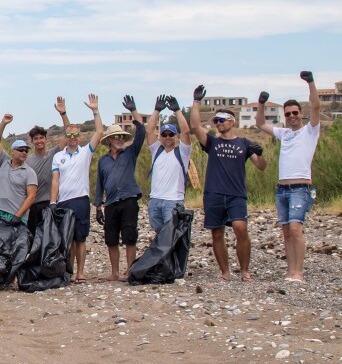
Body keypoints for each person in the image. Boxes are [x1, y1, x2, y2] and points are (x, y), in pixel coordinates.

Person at [191, 85, 268, 281]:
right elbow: (195, 127)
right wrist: (196, 102)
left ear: (232, 122)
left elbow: (261, 166)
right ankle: (225, 272)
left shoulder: (244, 143)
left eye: (222, 120)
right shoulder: (212, 143)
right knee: (217, 233)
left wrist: (260, 153)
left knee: (240, 228)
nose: (218, 123)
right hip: (214, 194)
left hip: (236, 194)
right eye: (216, 121)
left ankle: (244, 270)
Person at [255, 71, 322, 283]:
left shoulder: (310, 131)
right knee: (286, 231)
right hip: (282, 188)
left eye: (295, 113)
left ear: (301, 113)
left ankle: (299, 272)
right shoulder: (284, 134)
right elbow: (260, 124)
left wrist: (310, 82)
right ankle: (290, 270)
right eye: (288, 114)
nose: (292, 116)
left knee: (295, 228)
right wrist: (261, 104)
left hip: (300, 188)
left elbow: (317, 106)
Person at [48, 95, 103, 284]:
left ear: (79, 137)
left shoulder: (86, 152)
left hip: (81, 199)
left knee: (81, 238)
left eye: (75, 135)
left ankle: (80, 272)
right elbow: (55, 181)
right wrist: (53, 202)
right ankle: (69, 271)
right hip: (63, 201)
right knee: (68, 239)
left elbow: (100, 132)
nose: (72, 138)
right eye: (69, 135)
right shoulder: (58, 157)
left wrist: (95, 111)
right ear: (66, 137)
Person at [93, 97, 146, 282]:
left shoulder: (130, 153)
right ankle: (115, 273)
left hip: (129, 199)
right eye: (117, 137)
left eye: (122, 137)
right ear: (109, 140)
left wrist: (134, 111)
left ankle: (130, 271)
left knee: (130, 236)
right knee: (111, 239)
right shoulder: (103, 161)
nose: (120, 139)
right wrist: (98, 207)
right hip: (112, 203)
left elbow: (141, 133)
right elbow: (99, 184)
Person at [21, 98, 73, 233]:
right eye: (36, 138)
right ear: (32, 141)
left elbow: (68, 135)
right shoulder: (27, 160)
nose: (39, 141)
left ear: (45, 139)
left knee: (50, 240)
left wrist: (63, 114)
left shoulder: (54, 154)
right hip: (33, 206)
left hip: (50, 204)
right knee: (33, 240)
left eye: (41, 138)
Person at [144, 95, 192, 234]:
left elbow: (186, 131)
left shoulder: (182, 153)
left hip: (173, 201)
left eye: (171, 134)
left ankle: (173, 257)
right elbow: (149, 131)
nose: (167, 137)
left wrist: (177, 110)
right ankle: (162, 257)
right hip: (155, 200)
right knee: (159, 235)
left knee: (171, 235)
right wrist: (156, 110)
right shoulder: (156, 150)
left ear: (175, 136)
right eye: (164, 135)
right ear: (161, 137)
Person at [0, 116, 39, 226]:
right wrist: (3, 123)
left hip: (16, 217)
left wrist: (18, 216)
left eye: (26, 150)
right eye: (21, 150)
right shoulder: (4, 162)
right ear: (12, 151)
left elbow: (31, 196)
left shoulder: (30, 172)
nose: (24, 152)